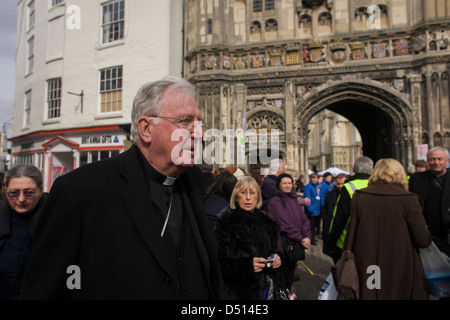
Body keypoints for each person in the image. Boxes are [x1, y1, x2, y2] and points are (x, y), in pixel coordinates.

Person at [22, 76, 226, 299]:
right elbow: (45, 288)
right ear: (146, 128)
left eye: (198, 123)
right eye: (185, 121)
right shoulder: (80, 190)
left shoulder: (193, 179)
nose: (199, 133)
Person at [344, 158, 432, 299]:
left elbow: (351, 232)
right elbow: (423, 239)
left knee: (371, 292)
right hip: (400, 263)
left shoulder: (361, 196)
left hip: (369, 263)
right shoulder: (409, 199)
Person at [215, 176, 286, 300]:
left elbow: (276, 249)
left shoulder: (268, 221)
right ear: (236, 196)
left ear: (257, 196)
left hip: (268, 289)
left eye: (252, 193)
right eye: (243, 193)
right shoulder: (226, 223)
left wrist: (277, 258)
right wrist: (247, 266)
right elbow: (219, 263)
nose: (248, 198)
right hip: (240, 293)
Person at [0, 164, 46, 300]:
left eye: (29, 193)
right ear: (5, 190)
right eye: (14, 193)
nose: (21, 199)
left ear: (41, 190)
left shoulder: (53, 218)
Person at [324, 156, 373, 263]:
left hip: (347, 240)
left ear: (353, 169)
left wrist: (331, 242)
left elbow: (341, 217)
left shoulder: (349, 186)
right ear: (372, 170)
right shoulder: (377, 185)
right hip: (371, 238)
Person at [267, 173, 311, 290]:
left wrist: (307, 236)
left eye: (289, 183)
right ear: (279, 185)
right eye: (284, 183)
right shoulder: (275, 201)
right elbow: (284, 225)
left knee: (289, 277)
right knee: (282, 279)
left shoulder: (293, 199)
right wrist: (301, 238)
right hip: (283, 247)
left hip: (294, 245)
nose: (287, 186)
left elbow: (304, 219)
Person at [409, 147, 450, 257]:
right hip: (427, 232)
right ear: (427, 161)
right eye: (432, 159)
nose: (436, 162)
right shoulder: (417, 179)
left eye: (440, 159)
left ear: (447, 161)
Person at [321, 173, 348, 256]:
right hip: (331, 228)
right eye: (338, 184)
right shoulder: (330, 194)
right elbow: (325, 209)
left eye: (342, 184)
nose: (340, 186)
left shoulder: (349, 194)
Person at [303, 173, 321, 245]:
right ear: (310, 178)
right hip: (311, 210)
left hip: (316, 209)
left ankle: (313, 238)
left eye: (316, 178)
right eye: (313, 178)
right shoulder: (308, 187)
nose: (315, 179)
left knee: (315, 226)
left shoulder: (316, 186)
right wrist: (310, 210)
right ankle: (311, 239)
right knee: (311, 226)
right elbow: (307, 199)